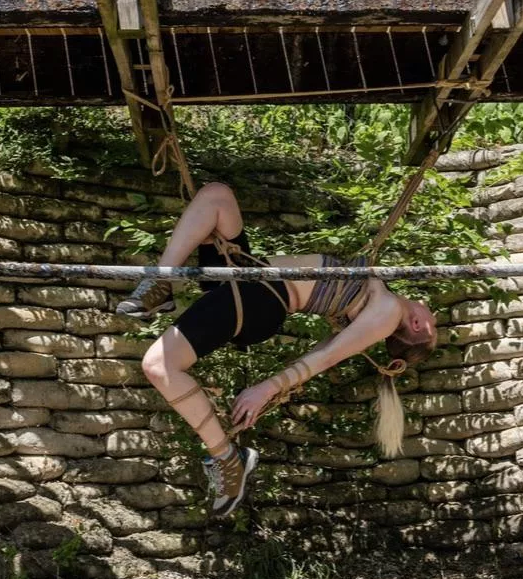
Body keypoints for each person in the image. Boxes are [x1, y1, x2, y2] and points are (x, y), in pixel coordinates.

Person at [116, 182, 438, 518]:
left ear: (419, 326)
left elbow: (326, 356)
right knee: (217, 196)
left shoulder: (388, 313)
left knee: (158, 365)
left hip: (262, 300)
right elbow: (325, 348)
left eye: (435, 325)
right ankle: (161, 283)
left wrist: (266, 388)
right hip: (250, 276)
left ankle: (227, 459)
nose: (432, 313)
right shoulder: (379, 300)